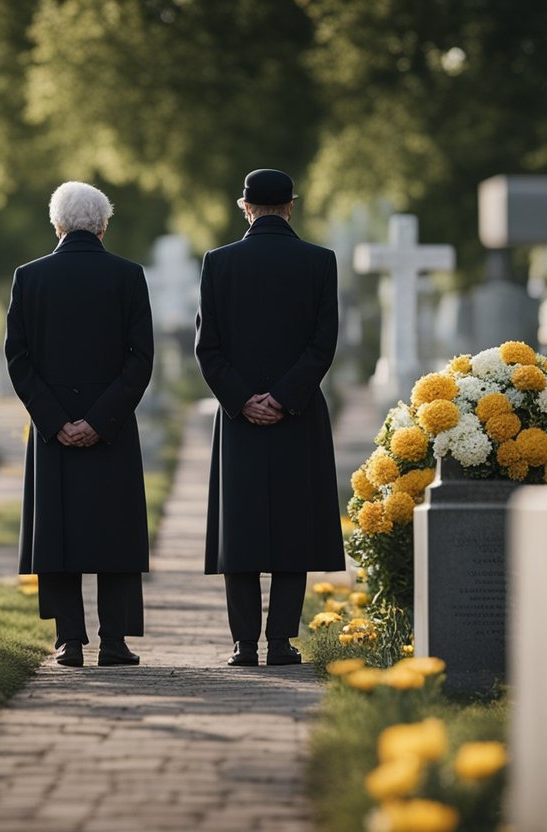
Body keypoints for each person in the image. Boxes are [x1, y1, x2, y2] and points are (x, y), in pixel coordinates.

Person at [195, 168, 346, 667]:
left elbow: (208, 348)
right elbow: (322, 345)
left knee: (240, 527)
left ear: (245, 207)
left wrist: (244, 399)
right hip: (298, 412)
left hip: (239, 417)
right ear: (291, 206)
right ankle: (280, 641)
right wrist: (283, 397)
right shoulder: (319, 262)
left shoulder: (218, 263)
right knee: (291, 525)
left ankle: (243, 644)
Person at [5, 181, 154, 668]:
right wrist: (99, 419)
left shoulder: (29, 277)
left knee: (59, 533)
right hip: (111, 425)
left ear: (57, 224)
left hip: (53, 430)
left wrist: (55, 420)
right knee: (114, 532)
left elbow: (18, 358)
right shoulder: (129, 276)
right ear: (104, 225)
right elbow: (140, 360)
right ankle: (114, 641)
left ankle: (69, 640)